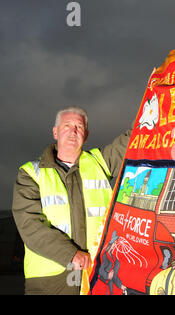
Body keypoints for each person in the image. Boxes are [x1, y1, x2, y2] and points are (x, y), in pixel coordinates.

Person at [12, 106, 131, 295]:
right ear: (55, 131)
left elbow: (133, 140)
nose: (73, 131)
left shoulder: (100, 161)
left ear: (86, 134)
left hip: (96, 275)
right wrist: (70, 254)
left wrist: (158, 102)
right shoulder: (30, 173)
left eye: (79, 126)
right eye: (67, 125)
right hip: (50, 282)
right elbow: (29, 223)